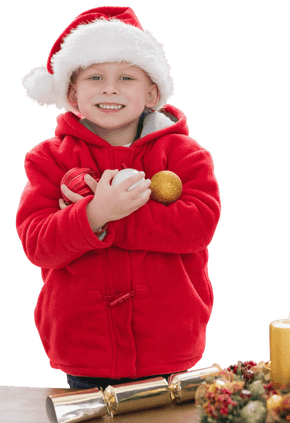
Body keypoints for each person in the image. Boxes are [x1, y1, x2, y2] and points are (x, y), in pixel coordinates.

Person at [16, 5, 221, 390]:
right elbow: (37, 244)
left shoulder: (186, 154)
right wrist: (92, 214)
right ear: (73, 92)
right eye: (95, 76)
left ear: (152, 92)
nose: (110, 88)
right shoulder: (47, 160)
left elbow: (198, 226)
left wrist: (110, 216)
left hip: (168, 341)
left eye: (126, 77)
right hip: (83, 345)